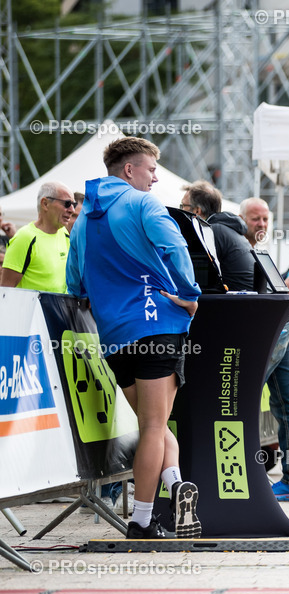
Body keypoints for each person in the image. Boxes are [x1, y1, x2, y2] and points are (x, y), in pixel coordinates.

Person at [66, 136, 202, 539]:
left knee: (152, 425)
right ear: (130, 170)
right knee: (155, 426)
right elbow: (175, 246)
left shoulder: (84, 218)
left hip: (114, 337)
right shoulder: (143, 204)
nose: (155, 178)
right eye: (151, 169)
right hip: (157, 323)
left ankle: (175, 484)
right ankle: (142, 521)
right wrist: (190, 294)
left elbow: (75, 280)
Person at [239, 197, 289, 501]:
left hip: (276, 327)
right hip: (276, 326)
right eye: (255, 219)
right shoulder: (240, 248)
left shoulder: (254, 251)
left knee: (246, 399)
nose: (262, 224)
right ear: (240, 218)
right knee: (286, 404)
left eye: (265, 219)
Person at [180, 181, 253, 292]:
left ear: (197, 211)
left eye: (183, 206)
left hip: (239, 300)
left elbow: (196, 278)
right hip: (249, 298)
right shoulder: (224, 228)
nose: (181, 210)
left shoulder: (211, 232)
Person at [1, 182, 74, 293]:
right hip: (29, 305)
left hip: (61, 305)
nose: (72, 210)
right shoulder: (24, 237)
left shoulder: (64, 234)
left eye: (74, 204)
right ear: (45, 204)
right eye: (67, 203)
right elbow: (5, 292)